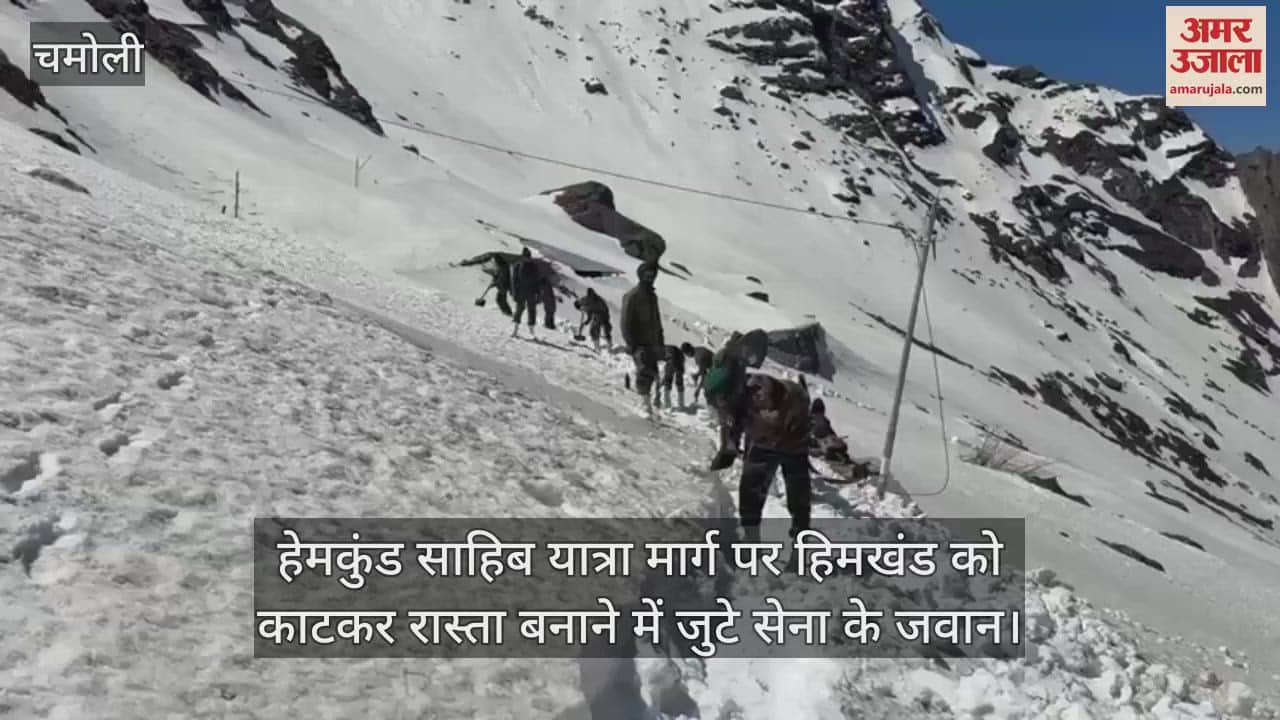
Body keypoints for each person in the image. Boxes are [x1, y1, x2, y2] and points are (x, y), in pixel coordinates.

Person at [732, 373, 813, 542]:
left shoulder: (795, 397)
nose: (768, 410)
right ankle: (750, 541)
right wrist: (732, 442)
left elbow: (797, 433)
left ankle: (799, 542)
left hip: (793, 444)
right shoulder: (744, 394)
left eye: (769, 408)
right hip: (762, 442)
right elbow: (736, 420)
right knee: (749, 492)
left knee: (798, 495)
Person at [704, 329, 769, 470]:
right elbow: (718, 386)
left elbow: (735, 384)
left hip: (733, 406)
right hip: (725, 407)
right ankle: (713, 479)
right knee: (728, 449)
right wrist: (724, 410)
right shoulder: (729, 362)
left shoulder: (737, 361)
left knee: (734, 444)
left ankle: (723, 469)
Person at [621, 261, 664, 416]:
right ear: (640, 275)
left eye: (652, 275)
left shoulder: (652, 296)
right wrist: (631, 343)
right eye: (647, 274)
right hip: (639, 342)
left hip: (652, 342)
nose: (650, 277)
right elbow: (625, 321)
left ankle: (645, 399)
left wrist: (660, 343)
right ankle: (643, 405)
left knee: (652, 372)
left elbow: (657, 321)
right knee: (644, 371)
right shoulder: (632, 296)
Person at [510, 248, 552, 337]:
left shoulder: (533, 267)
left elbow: (537, 281)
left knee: (531, 311)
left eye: (528, 256)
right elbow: (514, 281)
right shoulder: (518, 266)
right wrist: (514, 293)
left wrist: (538, 293)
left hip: (531, 292)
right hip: (522, 291)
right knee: (520, 310)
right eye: (526, 256)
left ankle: (531, 331)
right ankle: (515, 330)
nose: (528, 258)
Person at [808, 398, 852, 464]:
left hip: (824, 442)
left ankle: (835, 455)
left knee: (838, 446)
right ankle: (835, 455)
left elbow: (830, 431)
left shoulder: (821, 420)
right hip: (822, 443)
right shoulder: (815, 420)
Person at [658, 344, 686, 408]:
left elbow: (670, 365)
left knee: (668, 381)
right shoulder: (669, 349)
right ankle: (680, 404)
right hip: (679, 361)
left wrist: (663, 381)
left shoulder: (664, 351)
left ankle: (667, 404)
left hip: (675, 361)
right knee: (678, 382)